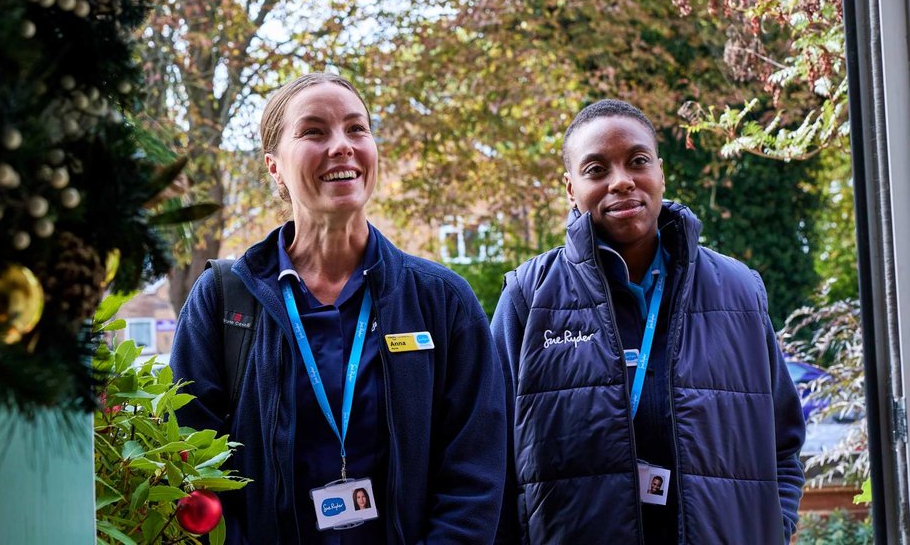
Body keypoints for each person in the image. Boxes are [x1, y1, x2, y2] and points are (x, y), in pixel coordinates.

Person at [171, 72, 508, 544]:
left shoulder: (442, 300)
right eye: (313, 132)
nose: (342, 146)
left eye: (357, 129)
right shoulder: (224, 300)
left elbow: (475, 468)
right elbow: (190, 466)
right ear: (274, 167)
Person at [493, 99, 806, 544]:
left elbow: (784, 439)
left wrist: (774, 525)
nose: (621, 182)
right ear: (570, 188)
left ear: (660, 172)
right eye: (596, 169)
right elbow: (491, 454)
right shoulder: (529, 296)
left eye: (637, 162)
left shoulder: (739, 290)